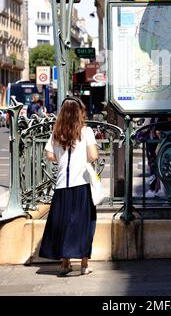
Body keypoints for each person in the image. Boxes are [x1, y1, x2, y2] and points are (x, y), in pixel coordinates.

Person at [39, 96, 98, 276]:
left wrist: (61, 156)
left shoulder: (57, 132)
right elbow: (93, 155)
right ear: (79, 112)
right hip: (81, 184)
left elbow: (49, 155)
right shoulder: (86, 131)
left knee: (63, 223)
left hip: (61, 186)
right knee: (85, 224)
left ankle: (65, 264)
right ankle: (84, 265)